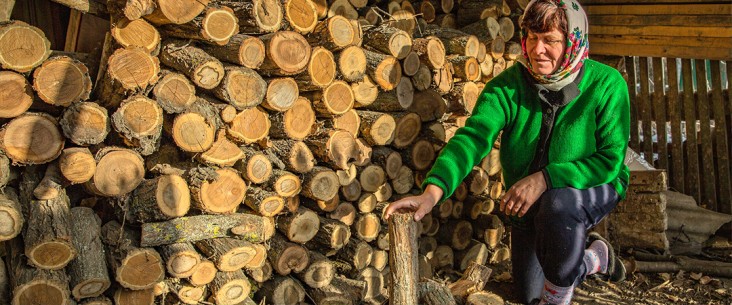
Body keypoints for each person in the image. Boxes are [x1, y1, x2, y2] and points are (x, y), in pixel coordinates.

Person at [384, 0, 629, 304]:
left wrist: (545, 178)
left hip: (593, 185)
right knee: (528, 294)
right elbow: (473, 138)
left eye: (550, 40)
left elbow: (610, 160)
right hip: (531, 204)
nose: (538, 49)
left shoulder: (606, 84)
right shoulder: (508, 86)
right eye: (531, 37)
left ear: (573, 41)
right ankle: (594, 259)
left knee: (558, 208)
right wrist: (431, 193)